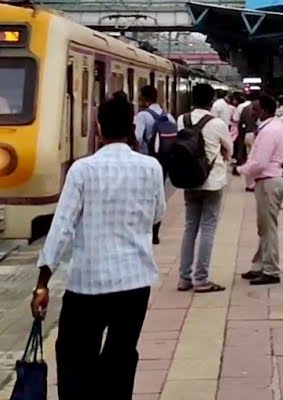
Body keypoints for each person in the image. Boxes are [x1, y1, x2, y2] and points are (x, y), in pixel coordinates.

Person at [30, 94, 167, 400]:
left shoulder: (82, 170)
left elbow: (62, 227)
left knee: (75, 356)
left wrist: (42, 283)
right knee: (121, 354)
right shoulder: (151, 167)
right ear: (132, 127)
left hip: (88, 284)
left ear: (98, 127)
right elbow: (158, 213)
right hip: (135, 281)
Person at [175, 83, 232, 293]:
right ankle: (202, 279)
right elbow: (229, 148)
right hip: (212, 181)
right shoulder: (217, 123)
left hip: (189, 178)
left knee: (190, 227)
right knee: (208, 228)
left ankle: (184, 278)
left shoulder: (182, 120)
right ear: (211, 101)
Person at [238, 94, 283, 285]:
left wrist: (241, 169)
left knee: (268, 228)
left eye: (256, 110)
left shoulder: (268, 132)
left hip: (268, 182)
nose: (253, 113)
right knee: (264, 227)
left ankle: (271, 270)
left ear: (264, 111)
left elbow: (260, 162)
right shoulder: (274, 127)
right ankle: (259, 265)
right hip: (269, 181)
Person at [136, 85, 178, 244]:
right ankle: (155, 231)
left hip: (146, 159)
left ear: (143, 98)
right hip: (164, 161)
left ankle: (145, 228)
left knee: (144, 196)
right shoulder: (169, 117)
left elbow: (138, 138)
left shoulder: (142, 116)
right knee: (158, 195)